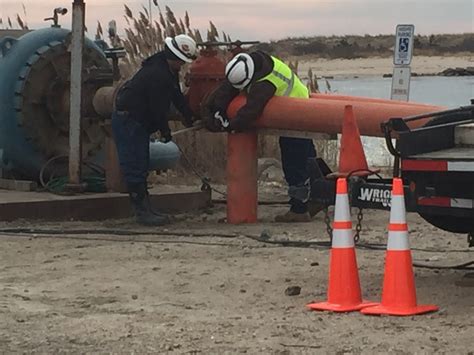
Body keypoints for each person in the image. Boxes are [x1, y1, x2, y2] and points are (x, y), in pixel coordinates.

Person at [207, 50, 319, 222]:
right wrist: (217, 109)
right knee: (307, 158)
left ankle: (300, 209)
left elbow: (251, 111)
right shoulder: (250, 63)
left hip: (295, 114)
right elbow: (228, 88)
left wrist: (231, 125)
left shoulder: (265, 83)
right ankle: (317, 197)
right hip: (298, 109)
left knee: (295, 163)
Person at [112, 34, 197, 226]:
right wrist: (165, 131)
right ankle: (142, 212)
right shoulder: (157, 75)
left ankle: (146, 209)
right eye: (181, 61)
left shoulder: (164, 69)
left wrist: (187, 114)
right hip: (130, 121)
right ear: (173, 57)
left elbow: (175, 94)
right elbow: (157, 108)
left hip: (135, 121)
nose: (182, 65)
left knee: (140, 165)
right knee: (135, 166)